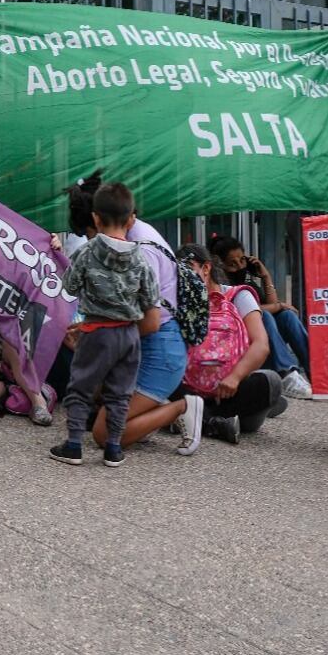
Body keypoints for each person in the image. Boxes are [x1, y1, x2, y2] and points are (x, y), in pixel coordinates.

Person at [67, 172, 203, 455]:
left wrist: (96, 330)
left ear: (98, 220)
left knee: (103, 434)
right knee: (92, 392)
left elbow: (151, 322)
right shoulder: (131, 239)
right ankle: (145, 414)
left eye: (93, 236)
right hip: (139, 344)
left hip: (159, 351)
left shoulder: (142, 252)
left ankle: (184, 407)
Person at [50, 183, 160, 468]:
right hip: (129, 335)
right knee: (120, 392)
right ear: (131, 219)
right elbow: (150, 299)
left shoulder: (86, 253)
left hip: (96, 332)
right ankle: (113, 448)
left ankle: (74, 445)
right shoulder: (141, 258)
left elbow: (70, 286)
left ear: (96, 218)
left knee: (81, 387)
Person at [174, 243, 284, 443]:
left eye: (189, 271)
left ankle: (195, 419)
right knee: (166, 380)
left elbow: (261, 345)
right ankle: (215, 423)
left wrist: (234, 377)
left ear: (206, 268)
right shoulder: (181, 301)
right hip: (191, 386)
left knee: (270, 382)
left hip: (231, 389)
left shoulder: (238, 296)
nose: (183, 280)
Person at [210, 236, 313, 400]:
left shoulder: (249, 283)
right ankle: (286, 373)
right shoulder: (221, 286)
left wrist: (266, 277)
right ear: (220, 265)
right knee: (264, 315)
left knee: (287, 316)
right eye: (232, 263)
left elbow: (272, 304)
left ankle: (316, 373)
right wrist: (277, 306)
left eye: (242, 260)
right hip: (247, 349)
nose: (239, 266)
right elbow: (251, 311)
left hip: (267, 343)